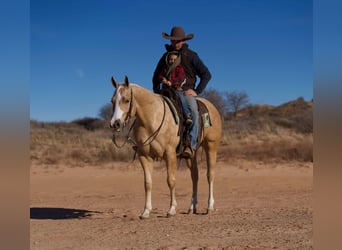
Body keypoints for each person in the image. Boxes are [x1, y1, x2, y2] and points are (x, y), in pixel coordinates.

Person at [152, 26, 211, 158]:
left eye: (178, 41)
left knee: (194, 113)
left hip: (185, 92)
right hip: (166, 92)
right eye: (173, 40)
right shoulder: (165, 57)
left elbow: (206, 74)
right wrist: (157, 91)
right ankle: (153, 145)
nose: (176, 43)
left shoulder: (191, 56)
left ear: (183, 41)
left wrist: (196, 91)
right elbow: (156, 76)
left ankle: (191, 144)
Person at [158, 51, 193, 125]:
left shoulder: (179, 68)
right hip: (165, 90)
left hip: (176, 89)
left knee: (181, 98)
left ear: (177, 61)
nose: (172, 61)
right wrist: (163, 79)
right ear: (168, 59)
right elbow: (160, 76)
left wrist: (171, 82)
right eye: (171, 59)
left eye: (174, 59)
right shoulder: (165, 68)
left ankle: (187, 115)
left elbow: (181, 78)